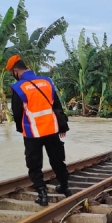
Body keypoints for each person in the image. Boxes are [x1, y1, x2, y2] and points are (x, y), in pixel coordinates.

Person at [7, 54, 72, 207]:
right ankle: (65, 187)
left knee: (34, 164)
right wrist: (62, 126)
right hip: (51, 128)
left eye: (12, 73)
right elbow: (56, 104)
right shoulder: (46, 81)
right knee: (57, 159)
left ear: (16, 71)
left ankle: (42, 195)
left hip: (32, 132)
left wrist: (20, 129)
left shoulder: (18, 88)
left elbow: (17, 113)